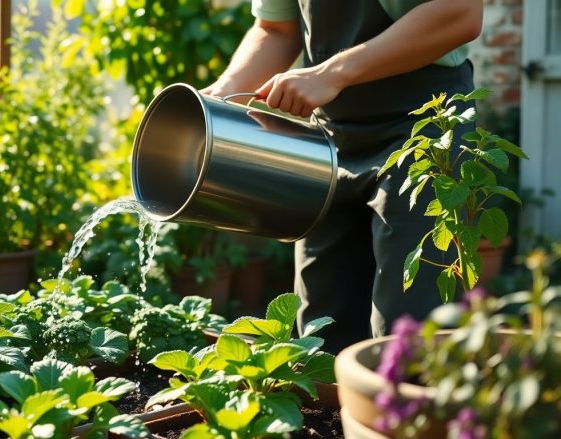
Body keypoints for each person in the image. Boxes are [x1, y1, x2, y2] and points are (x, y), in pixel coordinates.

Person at [201, 0, 483, 353]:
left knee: (406, 334)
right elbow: (277, 28)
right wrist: (222, 93)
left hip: (425, 128)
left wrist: (331, 73)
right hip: (328, 142)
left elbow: (460, 13)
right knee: (321, 332)